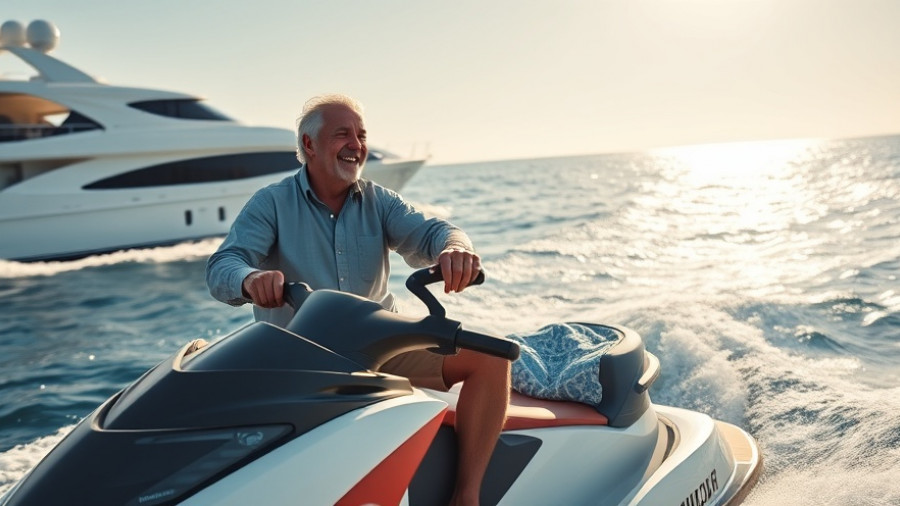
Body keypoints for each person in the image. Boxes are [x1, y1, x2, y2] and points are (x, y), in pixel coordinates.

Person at [206, 94, 510, 506]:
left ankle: (466, 495)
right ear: (309, 146)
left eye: (361, 135)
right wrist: (249, 279)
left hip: (380, 349)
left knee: (492, 358)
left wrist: (456, 248)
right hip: (300, 357)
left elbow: (434, 233)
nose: (356, 144)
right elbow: (224, 264)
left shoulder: (380, 200)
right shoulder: (271, 202)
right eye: (342, 134)